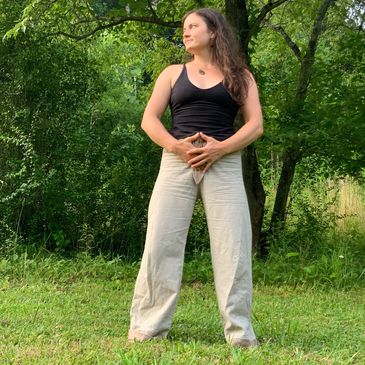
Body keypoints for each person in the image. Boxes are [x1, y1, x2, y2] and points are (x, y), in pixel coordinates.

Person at [128, 7, 263, 348]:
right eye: (183, 27)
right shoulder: (172, 74)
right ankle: (148, 326)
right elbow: (150, 120)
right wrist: (176, 146)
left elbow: (255, 125)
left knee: (233, 249)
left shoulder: (240, 76)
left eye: (193, 26)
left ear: (214, 32)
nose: (185, 32)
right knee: (161, 243)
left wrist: (220, 149)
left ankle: (240, 334)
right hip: (177, 163)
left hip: (224, 163)